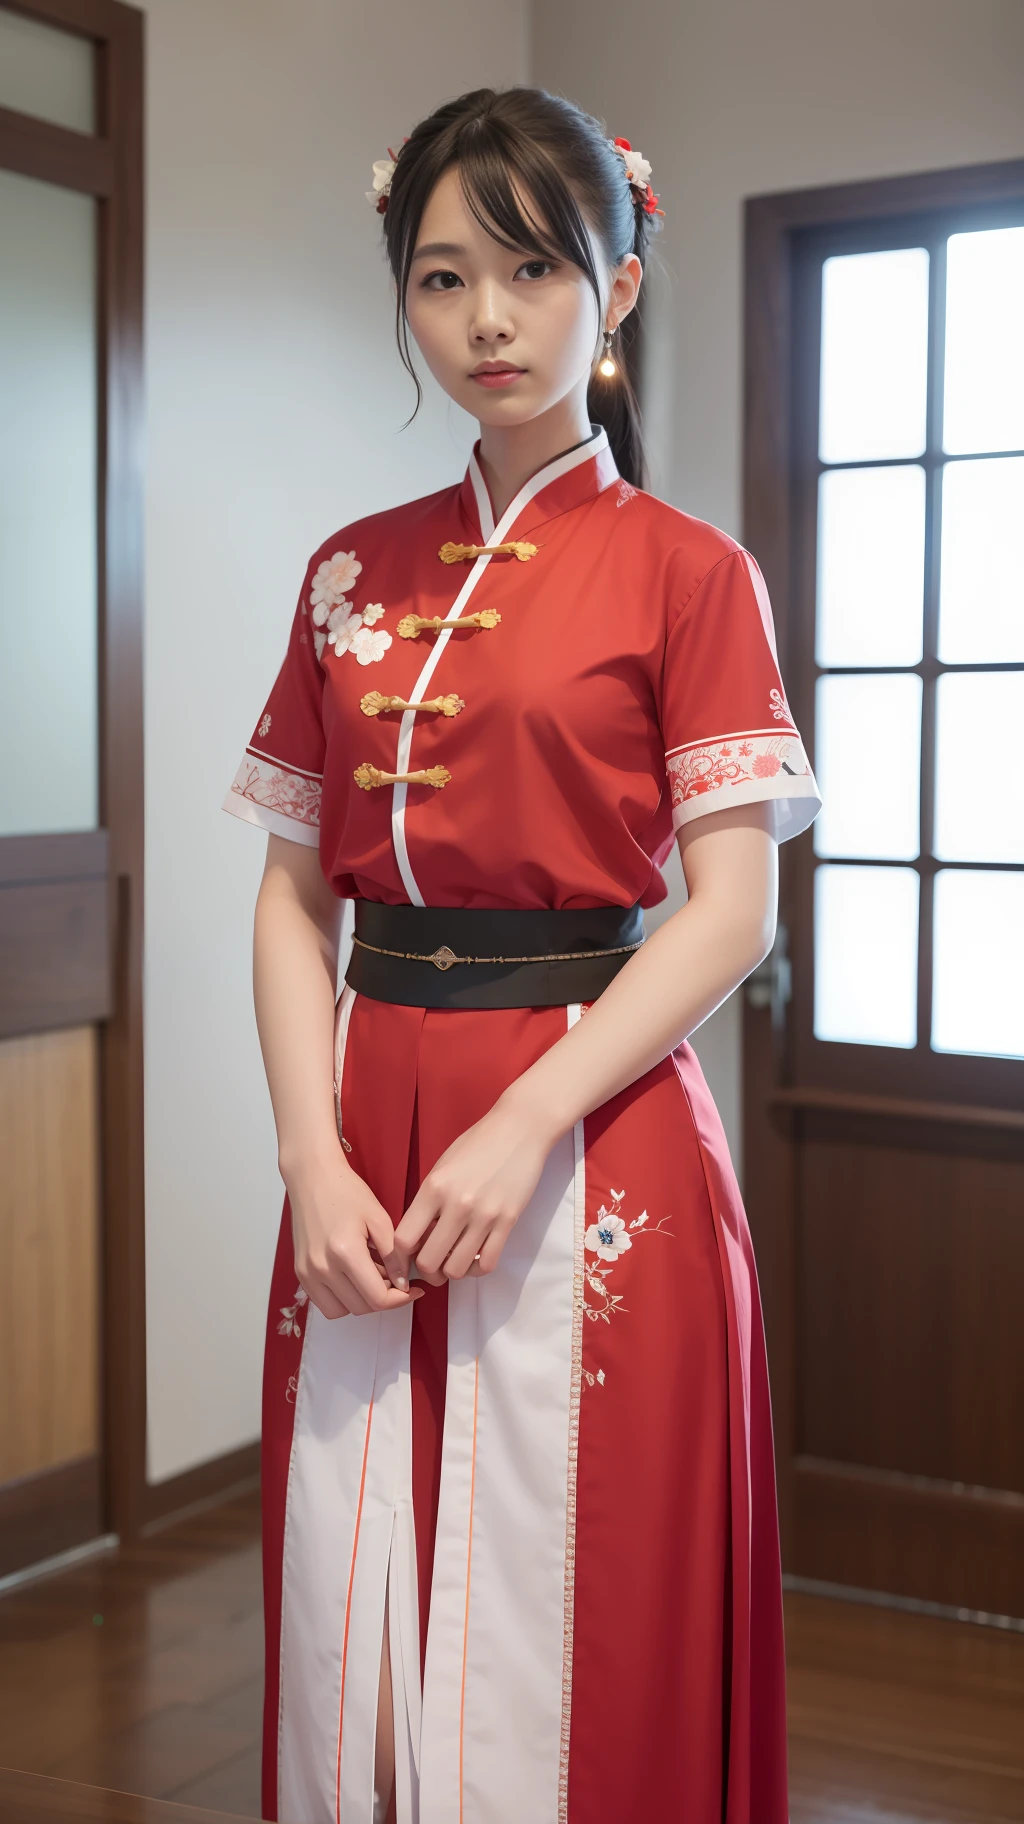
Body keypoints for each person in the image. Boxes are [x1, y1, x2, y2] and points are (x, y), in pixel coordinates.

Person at [223, 85, 820, 1824]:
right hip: (361, 1134)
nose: (487, 319)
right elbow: (288, 895)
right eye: (441, 276)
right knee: (356, 1572)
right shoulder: (351, 571)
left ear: (616, 286)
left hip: (588, 1131)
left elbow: (732, 908)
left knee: (584, 1616)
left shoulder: (688, 574)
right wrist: (304, 1153)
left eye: (536, 269)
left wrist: (518, 1126)